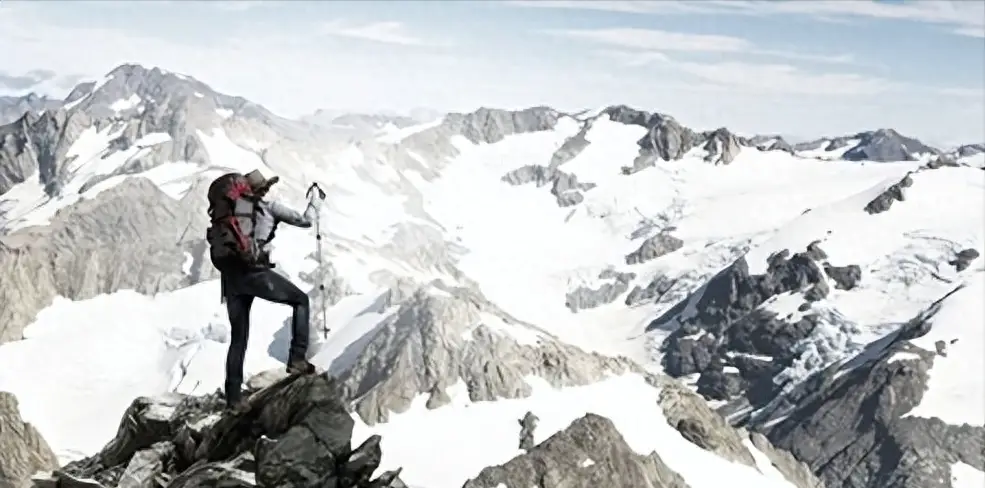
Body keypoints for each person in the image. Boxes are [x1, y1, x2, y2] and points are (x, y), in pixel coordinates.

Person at [216, 169, 326, 408]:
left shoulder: (234, 212)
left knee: (239, 338)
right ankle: (297, 358)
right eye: (265, 187)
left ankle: (233, 398)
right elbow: (305, 221)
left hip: (231, 278)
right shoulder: (270, 207)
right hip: (254, 273)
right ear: (262, 190)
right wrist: (315, 202)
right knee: (300, 301)